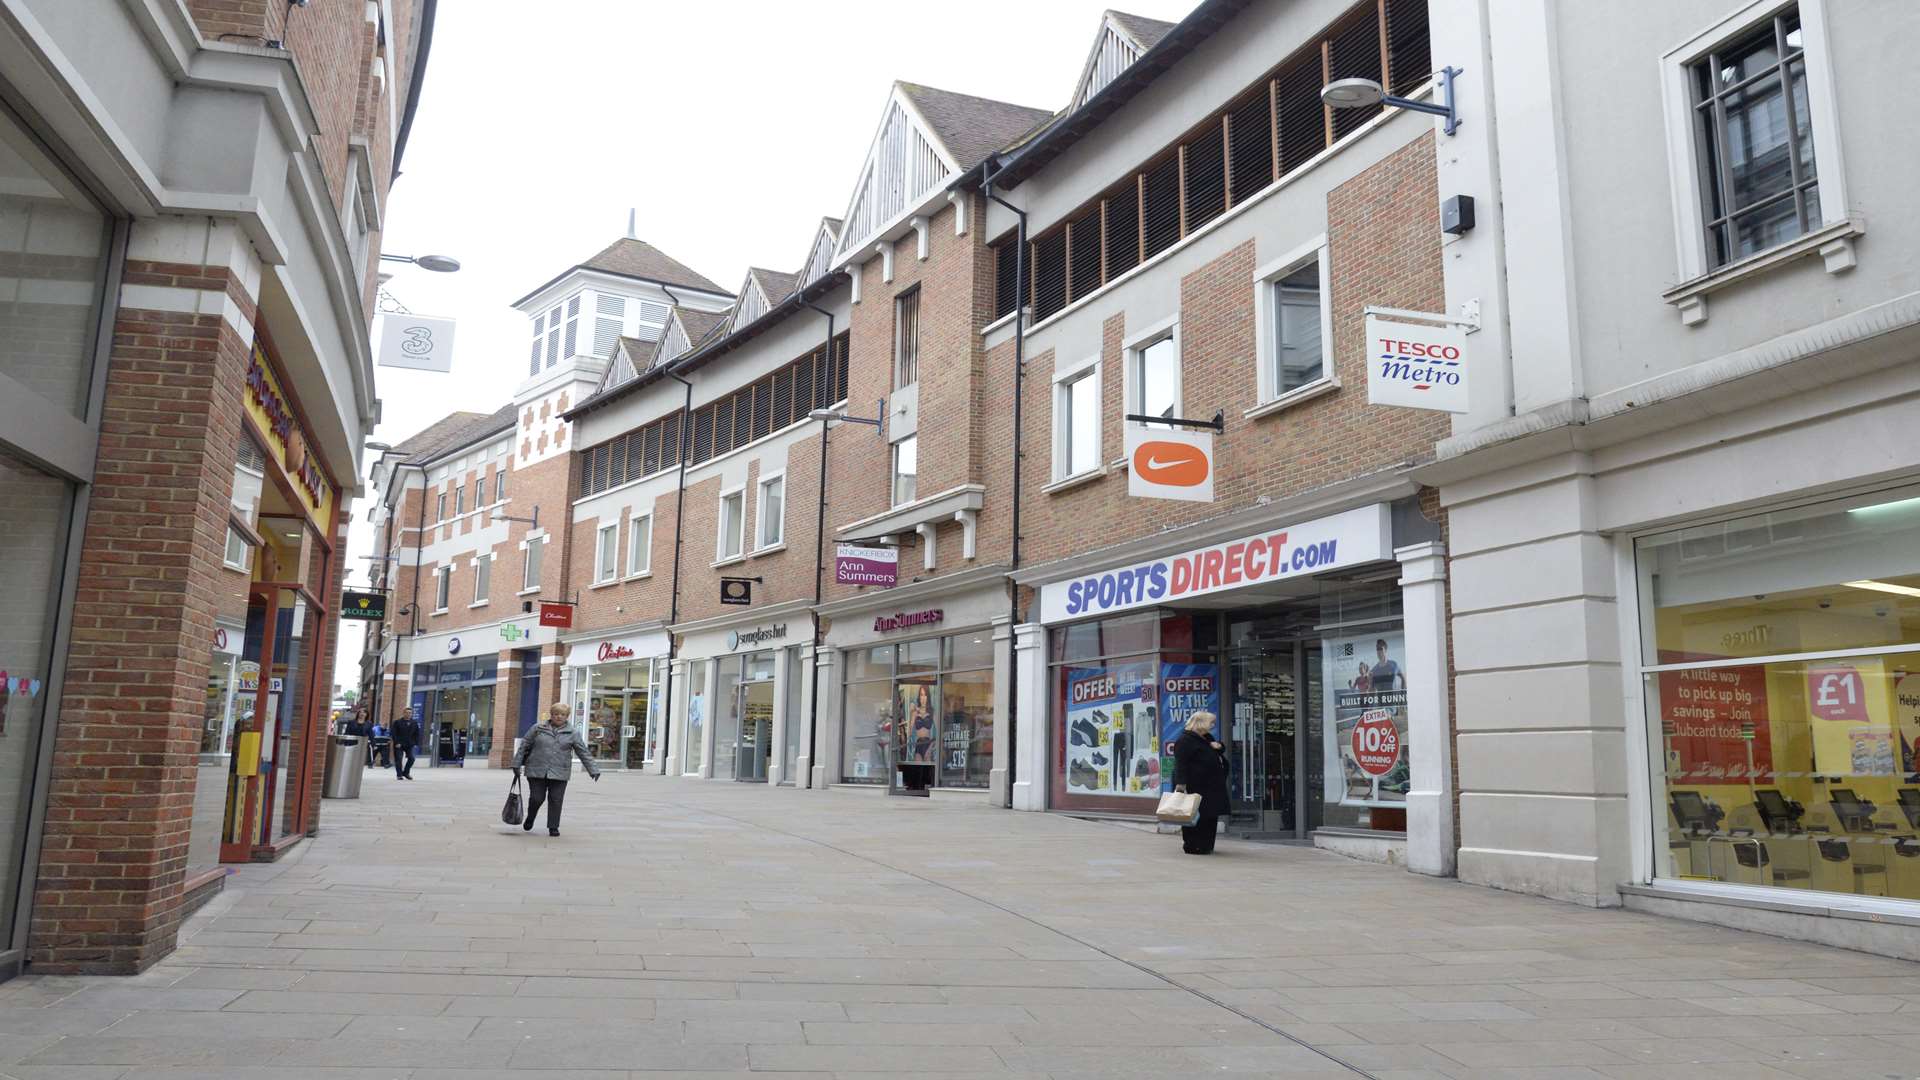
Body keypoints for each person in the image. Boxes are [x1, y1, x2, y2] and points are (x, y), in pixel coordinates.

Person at [512, 703, 600, 836]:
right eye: (556, 714)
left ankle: (553, 826)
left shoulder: (573, 733)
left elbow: (583, 752)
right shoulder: (537, 729)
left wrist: (593, 769)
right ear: (551, 715)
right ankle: (531, 817)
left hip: (560, 771)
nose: (559, 717)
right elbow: (524, 746)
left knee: (556, 799)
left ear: (567, 716)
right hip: (536, 770)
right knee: (537, 798)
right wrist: (516, 764)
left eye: (562, 714)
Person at [1171, 710, 1229, 855]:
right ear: (1201, 723)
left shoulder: (1206, 738)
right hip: (1195, 785)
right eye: (1211, 722)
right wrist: (1181, 785)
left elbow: (1218, 748)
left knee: (1210, 816)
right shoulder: (1185, 740)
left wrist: (1220, 747)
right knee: (1193, 816)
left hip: (1211, 786)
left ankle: (1207, 845)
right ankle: (1192, 845)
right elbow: (1181, 764)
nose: (1213, 725)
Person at [389, 710, 420, 780]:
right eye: (406, 713)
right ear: (403, 713)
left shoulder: (414, 723)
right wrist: (396, 743)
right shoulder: (397, 722)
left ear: (412, 714)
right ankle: (399, 775)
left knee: (412, 758)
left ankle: (406, 773)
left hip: (409, 744)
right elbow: (393, 733)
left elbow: (417, 734)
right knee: (399, 759)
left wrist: (415, 743)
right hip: (399, 744)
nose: (408, 714)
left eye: (410, 713)